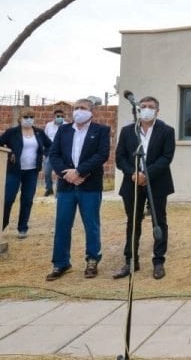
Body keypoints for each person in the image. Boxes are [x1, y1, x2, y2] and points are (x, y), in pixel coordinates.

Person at [46, 98, 111, 281]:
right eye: (75, 108)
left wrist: (80, 171)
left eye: (82, 108)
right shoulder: (63, 130)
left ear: (91, 112)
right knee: (62, 224)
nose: (77, 111)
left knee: (91, 224)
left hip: (89, 185)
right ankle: (61, 263)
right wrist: (66, 174)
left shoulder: (101, 130)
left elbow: (102, 154)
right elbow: (54, 154)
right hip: (66, 185)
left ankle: (92, 259)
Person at [113, 96, 176, 280]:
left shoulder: (166, 131)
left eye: (151, 107)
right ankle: (131, 261)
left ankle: (158, 261)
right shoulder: (127, 131)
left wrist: (146, 174)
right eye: (143, 106)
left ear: (157, 110)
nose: (147, 109)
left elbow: (166, 157)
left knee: (159, 222)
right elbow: (120, 157)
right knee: (133, 221)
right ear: (138, 109)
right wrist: (133, 173)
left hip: (157, 182)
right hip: (131, 182)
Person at [0, 107, 52, 238]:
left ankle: (22, 228)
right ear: (20, 119)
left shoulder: (39, 133)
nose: (28, 120)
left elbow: (50, 145)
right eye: (25, 117)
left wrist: (44, 155)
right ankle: (2, 224)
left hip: (32, 171)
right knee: (8, 199)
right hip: (14, 171)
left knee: (27, 199)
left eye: (31, 117)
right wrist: (9, 152)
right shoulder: (12, 132)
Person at [43, 109, 66, 196]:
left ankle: (58, 190)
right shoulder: (48, 125)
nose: (60, 118)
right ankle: (49, 189)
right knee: (47, 172)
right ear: (54, 117)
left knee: (60, 172)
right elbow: (44, 138)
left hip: (62, 152)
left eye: (62, 116)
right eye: (58, 116)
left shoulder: (66, 125)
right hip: (49, 151)